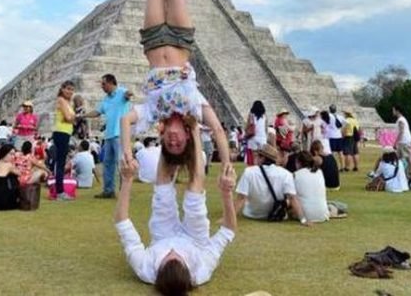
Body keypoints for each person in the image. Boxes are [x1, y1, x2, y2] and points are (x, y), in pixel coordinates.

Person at [119, 0, 230, 178]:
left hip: (154, 43)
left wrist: (126, 152)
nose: (173, 140)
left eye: (170, 144)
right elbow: (217, 129)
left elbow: (124, 120)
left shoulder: (152, 113)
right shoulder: (195, 106)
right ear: (187, 137)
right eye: (178, 143)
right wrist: (227, 163)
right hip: (181, 42)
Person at [115, 115, 236, 294]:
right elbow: (228, 230)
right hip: (195, 241)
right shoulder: (201, 270)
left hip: (162, 236)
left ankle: (168, 130)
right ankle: (193, 130)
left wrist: (127, 180)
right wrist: (227, 194)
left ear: (158, 270)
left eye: (167, 259)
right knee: (195, 191)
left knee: (162, 189)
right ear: (189, 270)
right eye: (179, 259)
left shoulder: (145, 268)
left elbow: (122, 222)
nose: (173, 252)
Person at [82, 74, 133, 199]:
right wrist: (83, 116)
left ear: (111, 83)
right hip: (109, 135)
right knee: (108, 164)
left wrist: (129, 94)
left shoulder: (121, 92)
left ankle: (124, 191)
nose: (102, 86)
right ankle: (108, 190)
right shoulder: (105, 99)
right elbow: (97, 112)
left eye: (104, 84)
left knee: (121, 164)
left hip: (120, 134)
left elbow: (128, 94)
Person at [234, 144, 308, 225]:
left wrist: (229, 217)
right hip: (278, 213)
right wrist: (303, 219)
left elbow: (241, 198)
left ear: (262, 158)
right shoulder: (286, 174)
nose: (255, 158)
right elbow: (293, 198)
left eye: (257, 156)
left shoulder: (249, 172)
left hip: (252, 214)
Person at [52, 81, 76, 201]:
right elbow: (68, 118)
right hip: (61, 132)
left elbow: (70, 119)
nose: (70, 92)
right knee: (60, 163)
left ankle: (60, 191)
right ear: (62, 89)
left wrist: (72, 119)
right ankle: (60, 192)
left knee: (61, 162)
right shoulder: (61, 100)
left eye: (72, 89)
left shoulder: (68, 102)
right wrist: (73, 118)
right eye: (68, 89)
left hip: (65, 133)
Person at [292, 151, 329, 223]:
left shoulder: (296, 175)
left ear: (298, 163)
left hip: (305, 214)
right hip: (323, 214)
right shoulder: (319, 172)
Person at [393, 105, 411, 176]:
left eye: (393, 110)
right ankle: (400, 174)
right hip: (403, 141)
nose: (393, 112)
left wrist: (395, 142)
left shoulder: (401, 120)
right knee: (398, 158)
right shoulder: (402, 119)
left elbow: (401, 132)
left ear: (397, 111)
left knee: (408, 158)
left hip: (404, 142)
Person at [244, 100, 267, 166]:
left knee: (254, 155)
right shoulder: (264, 115)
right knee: (262, 156)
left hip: (253, 137)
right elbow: (265, 127)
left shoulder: (251, 115)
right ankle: (261, 168)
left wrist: (246, 131)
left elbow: (249, 125)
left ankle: (255, 168)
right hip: (262, 137)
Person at [325, 104, 345, 172]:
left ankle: (333, 166)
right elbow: (345, 123)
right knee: (340, 152)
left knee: (332, 153)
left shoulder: (329, 116)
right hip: (338, 135)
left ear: (329, 109)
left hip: (331, 136)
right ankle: (342, 166)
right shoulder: (340, 117)